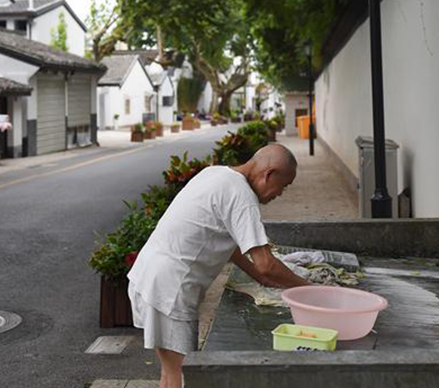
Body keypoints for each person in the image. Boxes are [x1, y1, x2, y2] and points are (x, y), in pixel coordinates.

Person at [127, 143, 310, 388]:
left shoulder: (216, 174)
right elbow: (267, 264)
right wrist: (310, 290)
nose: (280, 194)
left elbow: (229, 244)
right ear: (269, 174)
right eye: (284, 186)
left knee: (171, 374)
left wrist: (260, 276)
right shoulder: (242, 196)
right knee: (181, 378)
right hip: (170, 291)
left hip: (150, 277)